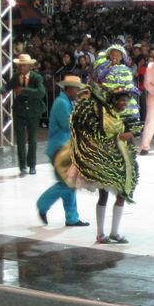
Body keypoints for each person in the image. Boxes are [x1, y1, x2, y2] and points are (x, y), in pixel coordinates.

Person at [68, 75, 140, 244]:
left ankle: (115, 232)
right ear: (114, 101)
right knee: (104, 196)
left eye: (126, 101)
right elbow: (101, 136)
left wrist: (129, 139)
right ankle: (100, 234)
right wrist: (120, 137)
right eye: (122, 100)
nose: (124, 103)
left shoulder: (118, 116)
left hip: (120, 161)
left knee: (122, 195)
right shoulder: (104, 114)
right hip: (105, 160)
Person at [37, 74, 90, 227]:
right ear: (69, 89)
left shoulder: (65, 102)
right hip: (60, 149)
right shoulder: (61, 103)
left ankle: (72, 217)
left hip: (64, 148)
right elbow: (68, 125)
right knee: (67, 183)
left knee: (69, 183)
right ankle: (42, 204)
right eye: (76, 89)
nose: (78, 93)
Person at [6, 52, 47, 176]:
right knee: (20, 139)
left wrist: (24, 90)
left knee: (32, 139)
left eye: (24, 65)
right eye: (20, 65)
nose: (21, 67)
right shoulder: (15, 77)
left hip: (33, 111)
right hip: (19, 111)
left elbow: (41, 93)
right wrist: (3, 90)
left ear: (30, 66)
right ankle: (22, 165)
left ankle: (32, 165)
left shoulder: (36, 77)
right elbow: (8, 86)